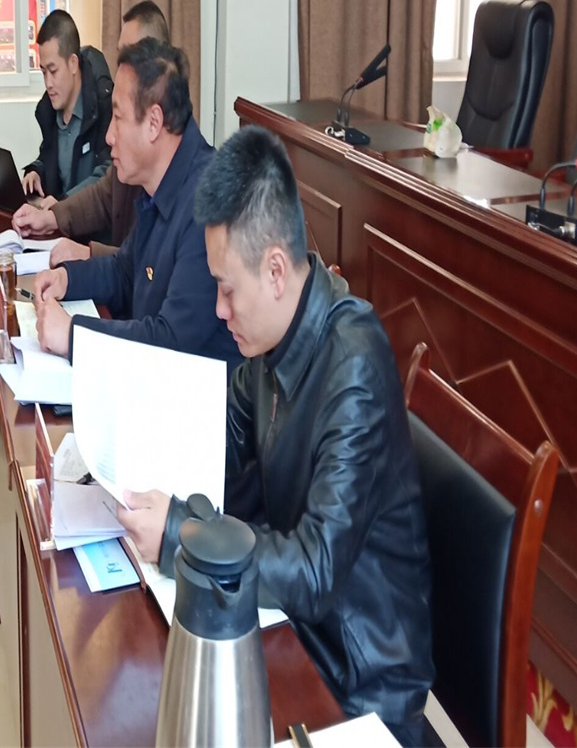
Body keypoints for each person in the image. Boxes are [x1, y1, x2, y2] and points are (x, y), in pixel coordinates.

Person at [117, 126, 434, 744]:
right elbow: (216, 440)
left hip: (358, 685)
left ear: (276, 271)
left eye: (226, 288)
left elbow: (315, 569)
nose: (219, 310)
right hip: (293, 631)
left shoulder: (355, 366)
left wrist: (179, 531)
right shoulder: (271, 341)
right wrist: (135, 446)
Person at [32, 38, 241, 372]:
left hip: (194, 394)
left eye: (118, 117)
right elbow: (124, 271)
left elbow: (172, 343)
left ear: (154, 123)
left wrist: (73, 337)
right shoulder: (157, 182)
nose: (109, 136)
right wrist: (67, 279)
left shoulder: (209, 205)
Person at [12, 0, 168, 264]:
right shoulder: (132, 149)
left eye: (129, 59)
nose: (110, 136)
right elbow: (104, 195)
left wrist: (88, 253)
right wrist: (50, 217)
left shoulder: (186, 177)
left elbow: (149, 266)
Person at [21, 10, 112, 202]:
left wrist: (63, 205)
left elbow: (107, 176)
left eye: (53, 71)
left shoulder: (103, 104)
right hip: (57, 218)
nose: (48, 83)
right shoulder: (49, 110)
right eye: (43, 72)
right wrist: (37, 171)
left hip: (90, 220)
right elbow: (49, 157)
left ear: (73, 64)